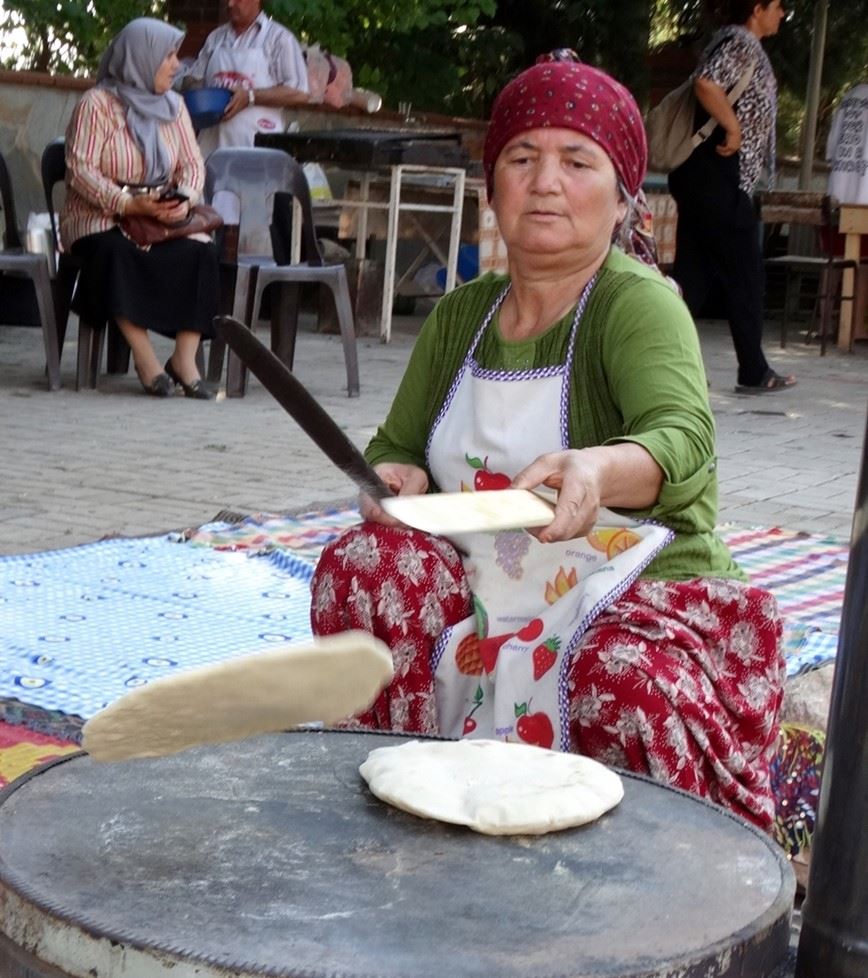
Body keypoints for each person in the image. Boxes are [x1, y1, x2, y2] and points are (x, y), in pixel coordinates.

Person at [310, 54, 785, 831]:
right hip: (486, 600)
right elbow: (394, 450)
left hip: (633, 598)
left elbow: (683, 439)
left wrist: (596, 468)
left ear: (623, 190)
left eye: (577, 160)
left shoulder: (638, 307)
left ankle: (642, 897)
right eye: (522, 159)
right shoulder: (460, 316)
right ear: (493, 186)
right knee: (365, 563)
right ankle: (398, 806)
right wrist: (388, 483)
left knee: (624, 681)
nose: (546, 181)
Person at [61, 18, 218, 399]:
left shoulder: (174, 106)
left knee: (201, 251)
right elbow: (79, 168)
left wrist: (183, 199)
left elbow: (193, 164)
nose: (176, 65)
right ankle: (146, 359)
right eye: (168, 56)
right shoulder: (96, 105)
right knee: (115, 252)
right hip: (102, 216)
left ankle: (184, 359)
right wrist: (127, 203)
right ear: (140, 58)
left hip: (158, 218)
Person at [668, 0, 796, 394]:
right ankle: (753, 371)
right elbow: (706, 82)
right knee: (746, 274)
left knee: (694, 275)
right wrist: (733, 128)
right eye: (779, 6)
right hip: (718, 175)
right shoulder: (741, 43)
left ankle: (667, 362)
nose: (783, 14)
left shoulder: (733, 42)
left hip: (704, 177)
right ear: (757, 8)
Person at [182, 0, 309, 157]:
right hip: (212, 151)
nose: (230, 4)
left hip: (258, 150)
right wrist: (194, 92)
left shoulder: (279, 39)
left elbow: (299, 92)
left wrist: (250, 96)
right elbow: (193, 79)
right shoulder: (216, 38)